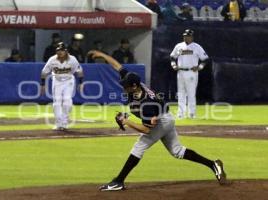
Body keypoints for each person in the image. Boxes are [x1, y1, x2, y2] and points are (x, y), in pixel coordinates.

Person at [88, 50, 226, 191]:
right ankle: (213, 164)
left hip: (162, 121)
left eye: (125, 85)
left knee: (139, 147)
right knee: (177, 151)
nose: (123, 86)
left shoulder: (146, 103)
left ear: (134, 86)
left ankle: (118, 181)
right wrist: (103, 55)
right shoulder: (135, 84)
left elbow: (146, 129)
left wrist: (126, 121)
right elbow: (118, 66)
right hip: (165, 117)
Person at [41, 42, 84, 131]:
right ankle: (58, 123)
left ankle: (64, 123)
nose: (60, 52)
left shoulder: (72, 59)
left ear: (66, 51)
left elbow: (79, 71)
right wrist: (42, 85)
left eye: (62, 50)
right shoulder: (52, 60)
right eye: (58, 50)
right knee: (57, 102)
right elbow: (44, 72)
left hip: (68, 81)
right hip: (57, 81)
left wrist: (81, 83)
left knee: (67, 101)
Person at [170, 29, 209, 119]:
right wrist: (173, 65)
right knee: (181, 93)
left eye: (187, 36)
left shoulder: (197, 47)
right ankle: (181, 113)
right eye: (184, 36)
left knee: (191, 93)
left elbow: (205, 59)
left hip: (191, 72)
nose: (185, 37)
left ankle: (192, 113)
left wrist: (199, 67)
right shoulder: (179, 46)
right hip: (180, 72)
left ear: (192, 37)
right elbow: (172, 56)